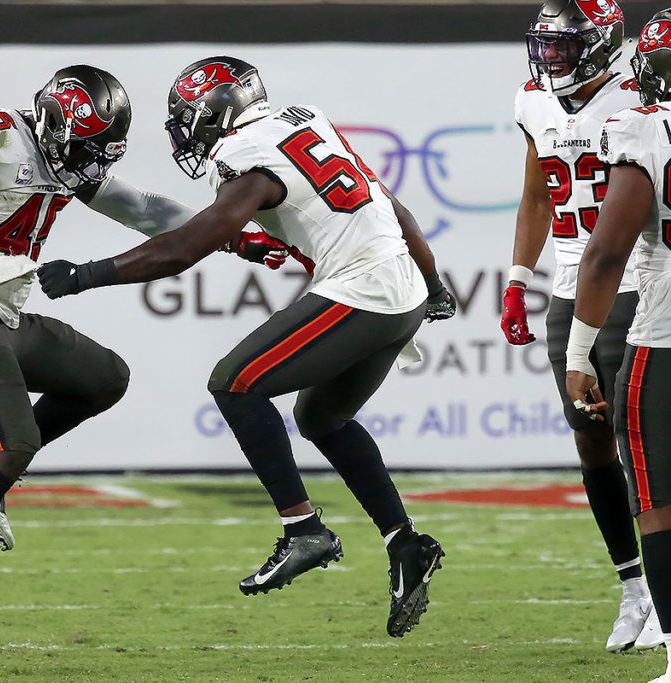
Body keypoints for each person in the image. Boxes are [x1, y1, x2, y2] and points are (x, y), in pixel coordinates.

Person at [38, 56, 455, 637]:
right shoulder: (305, 121)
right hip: (400, 286)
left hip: (364, 287)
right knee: (323, 418)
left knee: (234, 383)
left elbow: (185, 247)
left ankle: (303, 529)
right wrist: (433, 283)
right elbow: (394, 208)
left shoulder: (246, 156)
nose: (186, 129)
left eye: (189, 116)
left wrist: (88, 274)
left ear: (215, 110)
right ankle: (406, 543)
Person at [0, 64, 289, 657]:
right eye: (85, 147)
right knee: (14, 447)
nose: (91, 163)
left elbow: (145, 209)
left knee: (104, 378)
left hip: (5, 315)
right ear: (53, 124)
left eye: (102, 151)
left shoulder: (67, 156)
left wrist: (236, 235)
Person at [501, 0, 660, 652]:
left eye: (565, 45)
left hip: (638, 282)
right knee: (590, 435)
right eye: (548, 45)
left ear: (601, 43)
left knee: (644, 440)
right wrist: (517, 276)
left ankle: (662, 593)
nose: (552, 58)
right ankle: (634, 589)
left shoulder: (640, 92)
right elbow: (539, 193)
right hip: (572, 287)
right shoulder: (533, 101)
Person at [566, 12, 671, 679]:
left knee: (659, 505)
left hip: (664, 339)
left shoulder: (650, 130)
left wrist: (579, 355)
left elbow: (605, 256)